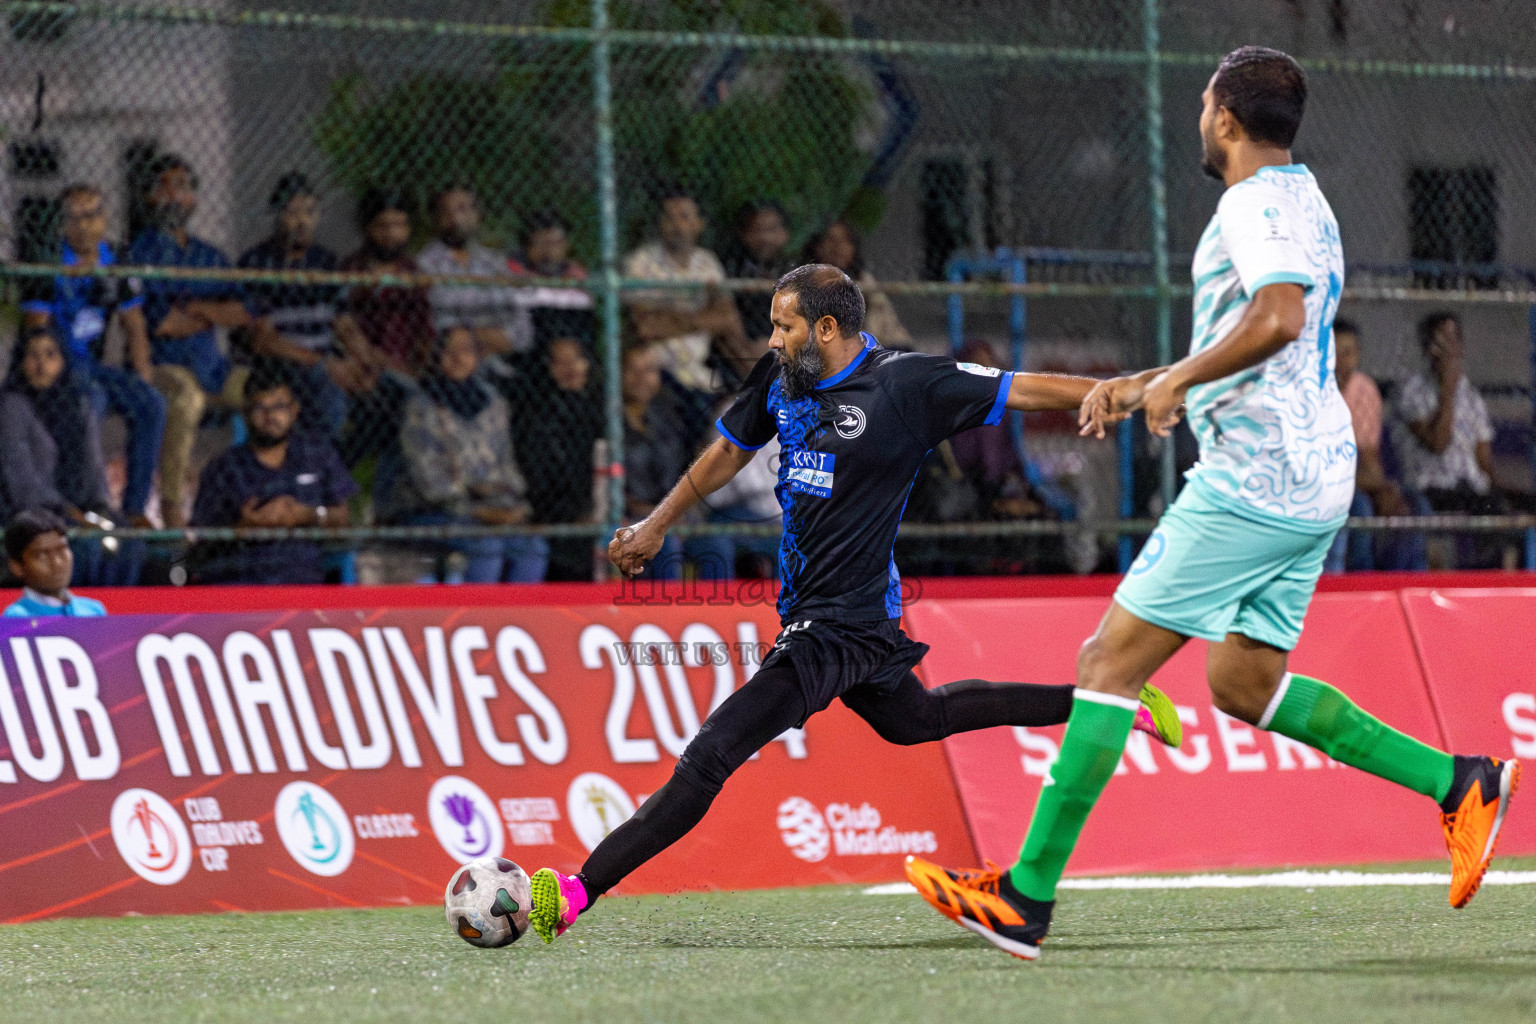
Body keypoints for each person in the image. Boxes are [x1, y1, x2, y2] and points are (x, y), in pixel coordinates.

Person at [906, 47, 1517, 962]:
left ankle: (1024, 898)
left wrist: (1178, 380)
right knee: (1243, 684)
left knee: (1107, 663)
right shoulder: (1306, 196)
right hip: (1314, 474)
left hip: (1254, 479)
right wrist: (1143, 383)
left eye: (1202, 104)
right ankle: (1460, 781)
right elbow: (1263, 341)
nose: (1199, 118)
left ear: (1226, 119)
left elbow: (1275, 318)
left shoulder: (1251, 202)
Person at [521, 264, 1181, 946]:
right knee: (917, 719)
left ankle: (576, 892)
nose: (773, 338)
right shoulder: (781, 378)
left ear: (826, 328)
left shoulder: (906, 384)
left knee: (710, 754)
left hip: (837, 627)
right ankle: (1108, 705)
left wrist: (1122, 391)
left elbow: (1020, 389)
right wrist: (657, 523)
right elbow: (728, 449)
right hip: (834, 618)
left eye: (784, 325)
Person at [20, 183, 166, 526]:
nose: (84, 225)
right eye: (74, 218)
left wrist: (142, 375)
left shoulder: (115, 259)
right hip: (59, 368)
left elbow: (135, 325)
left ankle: (134, 509)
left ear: (105, 218)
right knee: (91, 402)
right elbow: (34, 333)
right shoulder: (48, 262)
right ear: (61, 224)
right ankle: (88, 503)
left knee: (152, 403)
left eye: (92, 215)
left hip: (94, 365)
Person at [129, 153, 251, 527]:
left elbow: (244, 310)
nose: (175, 196)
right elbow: (161, 323)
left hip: (213, 366)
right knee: (186, 399)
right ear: (150, 197)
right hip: (165, 366)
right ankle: (171, 503)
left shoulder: (207, 254)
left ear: (194, 199)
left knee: (263, 390)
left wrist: (199, 310)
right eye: (166, 187)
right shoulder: (140, 252)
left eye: (183, 188)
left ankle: (255, 492)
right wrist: (211, 311)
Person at [383, 327, 547, 584]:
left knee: (532, 548)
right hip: (429, 511)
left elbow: (506, 467)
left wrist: (511, 505)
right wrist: (478, 511)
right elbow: (431, 485)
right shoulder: (421, 405)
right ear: (437, 356)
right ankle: (475, 619)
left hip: (491, 509)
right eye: (449, 350)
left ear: (478, 357)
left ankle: (510, 620)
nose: (458, 357)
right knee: (486, 546)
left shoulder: (493, 402)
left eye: (466, 350)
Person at [0, 329, 141, 586]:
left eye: (50, 355)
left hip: (83, 508)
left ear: (62, 362)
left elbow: (94, 465)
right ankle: (72, 618)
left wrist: (99, 510)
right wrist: (70, 513)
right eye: (33, 356)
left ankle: (111, 615)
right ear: (21, 362)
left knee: (128, 542)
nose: (41, 364)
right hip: (35, 511)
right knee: (82, 546)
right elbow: (21, 480)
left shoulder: (78, 404)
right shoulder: (12, 407)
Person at [238, 172, 373, 437]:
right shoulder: (257, 263)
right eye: (292, 212)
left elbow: (344, 325)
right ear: (277, 216)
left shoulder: (327, 263)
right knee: (326, 392)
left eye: (309, 212)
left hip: (322, 359)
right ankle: (313, 466)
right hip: (279, 363)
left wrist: (364, 361)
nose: (301, 221)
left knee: (387, 389)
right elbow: (262, 341)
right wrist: (322, 362)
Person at [188, 372, 356, 584]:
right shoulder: (223, 468)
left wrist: (309, 515)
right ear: (246, 414)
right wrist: (241, 530)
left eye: (279, 406)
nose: (270, 416)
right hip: (238, 587)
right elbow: (197, 550)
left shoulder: (318, 456)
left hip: (300, 584)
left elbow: (344, 522)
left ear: (294, 411)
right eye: (260, 408)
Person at [336, 186, 434, 466]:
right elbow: (344, 327)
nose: (392, 234)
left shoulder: (413, 273)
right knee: (387, 407)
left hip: (405, 371)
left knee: (399, 406)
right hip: (362, 368)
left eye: (400, 225)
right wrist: (372, 364)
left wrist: (415, 372)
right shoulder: (351, 269)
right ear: (368, 228)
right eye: (383, 225)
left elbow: (425, 334)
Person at [624, 190, 752, 392]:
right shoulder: (641, 263)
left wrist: (669, 319)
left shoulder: (707, 263)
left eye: (684, 217)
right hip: (657, 371)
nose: (677, 225)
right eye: (669, 217)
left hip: (700, 371)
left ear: (699, 224)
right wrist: (706, 319)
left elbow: (728, 319)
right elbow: (646, 326)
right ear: (660, 224)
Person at [1325, 318, 1423, 572]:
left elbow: (1366, 455)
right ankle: (1359, 580)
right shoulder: (1314, 388)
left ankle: (1403, 583)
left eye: (1348, 353)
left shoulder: (1364, 389)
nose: (1341, 362)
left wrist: (1382, 489)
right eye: (1335, 353)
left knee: (1411, 507)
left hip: (1356, 475)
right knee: (1360, 507)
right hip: (1322, 479)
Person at [507, 334, 605, 581]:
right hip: (554, 514)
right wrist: (575, 514)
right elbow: (538, 479)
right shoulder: (537, 418)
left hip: (598, 509)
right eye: (559, 362)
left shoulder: (602, 409)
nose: (570, 369)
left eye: (576, 360)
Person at [416, 185, 533, 359]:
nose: (455, 218)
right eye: (446, 211)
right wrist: (485, 337)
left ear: (477, 215)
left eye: (463, 209)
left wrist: (470, 336)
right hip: (450, 366)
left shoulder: (496, 263)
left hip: (504, 365)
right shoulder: (423, 266)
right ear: (435, 218)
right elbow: (438, 332)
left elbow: (523, 332)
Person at [619, 341, 692, 580]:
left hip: (671, 513)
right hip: (629, 515)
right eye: (633, 370)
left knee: (716, 541)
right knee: (666, 541)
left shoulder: (668, 416)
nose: (641, 378)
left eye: (649, 370)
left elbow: (685, 472)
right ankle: (667, 613)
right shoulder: (608, 421)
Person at [804, 219, 912, 347]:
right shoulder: (803, 282)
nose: (837, 247)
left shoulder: (864, 281)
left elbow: (889, 329)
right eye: (830, 240)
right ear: (817, 246)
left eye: (845, 241)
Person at [507, 210, 593, 349]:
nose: (548, 251)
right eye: (540, 243)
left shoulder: (576, 275)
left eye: (555, 243)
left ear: (565, 245)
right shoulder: (514, 272)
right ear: (527, 246)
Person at [4, 509, 106, 617]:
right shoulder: (15, 618)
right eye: (42, 555)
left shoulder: (94, 610)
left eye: (62, 550)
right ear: (17, 566)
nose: (57, 563)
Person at [722, 200, 793, 346]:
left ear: (784, 233)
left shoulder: (792, 269)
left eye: (772, 229)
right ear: (743, 234)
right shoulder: (732, 268)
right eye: (756, 230)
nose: (765, 238)